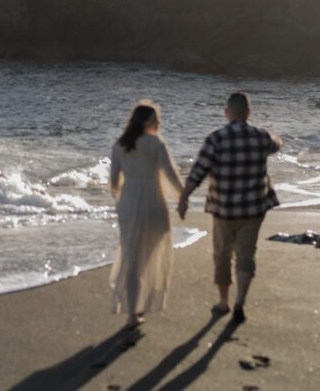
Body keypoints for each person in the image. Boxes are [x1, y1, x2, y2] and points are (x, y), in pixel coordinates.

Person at [177, 92, 282, 323]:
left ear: (227, 112)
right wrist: (269, 135)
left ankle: (224, 302)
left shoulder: (216, 139)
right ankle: (240, 301)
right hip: (254, 207)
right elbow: (278, 143)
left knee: (222, 253)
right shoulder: (260, 137)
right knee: (246, 253)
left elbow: (198, 172)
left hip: (223, 208)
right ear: (248, 112)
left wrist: (184, 198)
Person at [109, 100, 184, 329]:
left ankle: (132, 312)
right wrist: (184, 196)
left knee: (132, 258)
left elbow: (113, 182)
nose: (159, 123)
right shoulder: (155, 143)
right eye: (155, 119)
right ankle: (143, 303)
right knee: (149, 255)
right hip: (153, 203)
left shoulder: (120, 144)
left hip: (129, 203)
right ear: (145, 121)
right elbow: (170, 174)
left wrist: (123, 199)